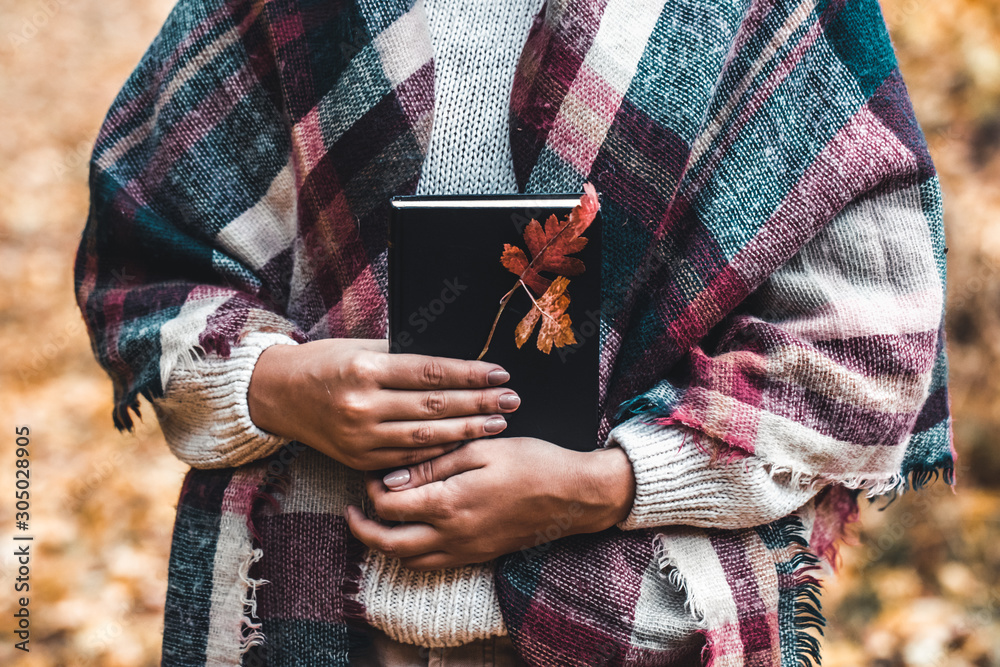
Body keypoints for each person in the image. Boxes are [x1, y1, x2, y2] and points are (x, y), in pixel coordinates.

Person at [75, 0, 953, 665]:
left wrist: (607, 485)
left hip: (647, 625)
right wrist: (277, 385)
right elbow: (145, 260)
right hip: (303, 606)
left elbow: (863, 342)